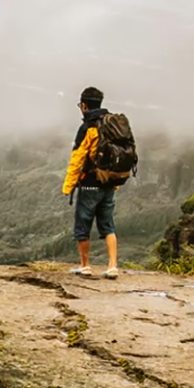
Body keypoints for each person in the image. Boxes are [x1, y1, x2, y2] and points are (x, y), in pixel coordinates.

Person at [62, 86, 120, 278]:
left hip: (90, 183)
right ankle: (112, 266)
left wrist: (68, 186)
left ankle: (85, 265)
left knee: (83, 222)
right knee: (108, 224)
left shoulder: (87, 127)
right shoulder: (112, 124)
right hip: (109, 181)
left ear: (84, 105)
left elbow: (77, 158)